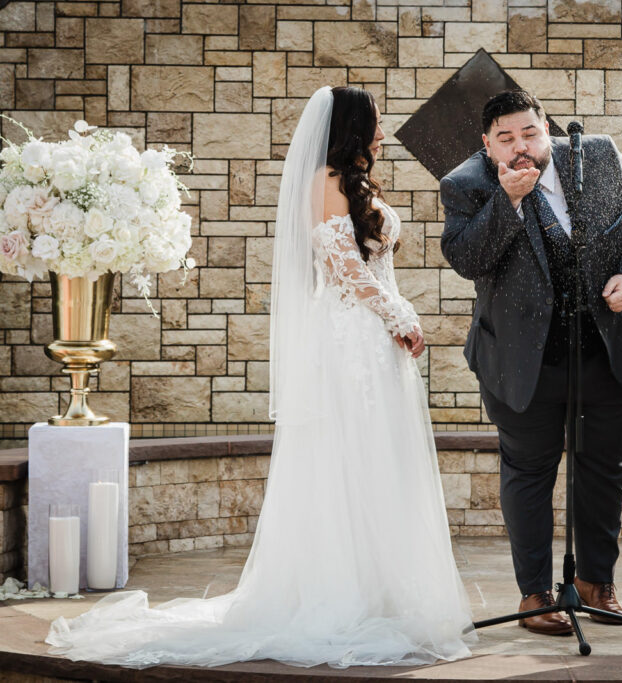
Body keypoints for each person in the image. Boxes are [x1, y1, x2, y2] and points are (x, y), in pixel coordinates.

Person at [45, 86, 476, 668]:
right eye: (374, 121)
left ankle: (386, 590)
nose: (382, 130)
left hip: (371, 339)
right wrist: (401, 314)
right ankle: (344, 594)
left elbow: (365, 261)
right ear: (351, 127)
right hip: (351, 337)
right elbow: (345, 270)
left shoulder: (353, 181)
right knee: (348, 457)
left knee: (378, 456)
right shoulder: (326, 179)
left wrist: (394, 320)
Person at [440, 90, 622, 635]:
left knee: (603, 470)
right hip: (521, 360)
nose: (521, 148)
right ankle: (535, 594)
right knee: (530, 473)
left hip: (606, 349)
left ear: (549, 129)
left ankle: (596, 584)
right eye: (506, 139)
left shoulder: (599, 156)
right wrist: (509, 203)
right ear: (487, 144)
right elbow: (466, 258)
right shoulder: (467, 183)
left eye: (530, 134)